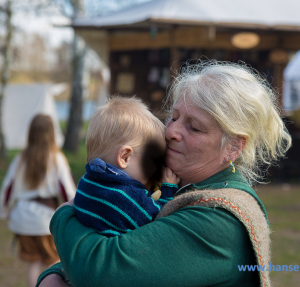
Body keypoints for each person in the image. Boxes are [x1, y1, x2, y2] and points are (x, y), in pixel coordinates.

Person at [36, 61, 291, 287]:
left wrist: (63, 215)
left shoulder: (220, 219)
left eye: (194, 127)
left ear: (234, 146)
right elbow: (111, 237)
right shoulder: (184, 187)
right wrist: (51, 275)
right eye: (174, 117)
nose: (171, 132)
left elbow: (100, 271)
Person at [61, 96, 179, 286]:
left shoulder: (88, 181)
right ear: (125, 157)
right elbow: (158, 217)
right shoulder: (123, 196)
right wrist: (168, 189)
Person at [0, 114, 76, 287]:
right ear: (51, 133)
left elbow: (7, 189)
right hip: (46, 221)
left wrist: (4, 211)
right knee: (54, 263)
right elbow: (68, 192)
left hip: (23, 219)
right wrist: (73, 214)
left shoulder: (21, 158)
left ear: (31, 133)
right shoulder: (57, 159)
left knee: (34, 263)